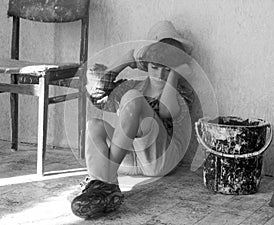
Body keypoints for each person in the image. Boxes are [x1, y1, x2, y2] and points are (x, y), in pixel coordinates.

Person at [71, 20, 194, 219]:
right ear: (146, 66)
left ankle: (103, 183)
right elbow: (97, 95)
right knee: (94, 126)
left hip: (161, 160)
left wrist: (175, 74)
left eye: (167, 69)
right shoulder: (134, 86)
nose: (160, 74)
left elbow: (165, 110)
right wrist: (126, 59)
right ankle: (103, 191)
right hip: (134, 158)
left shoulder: (181, 91)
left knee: (133, 99)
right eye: (155, 67)